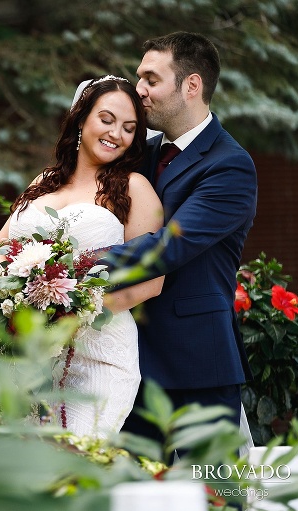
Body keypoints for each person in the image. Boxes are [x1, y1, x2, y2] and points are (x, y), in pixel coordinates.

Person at [0, 76, 165, 438]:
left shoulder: (134, 188)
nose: (117, 134)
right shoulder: (43, 182)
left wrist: (69, 317)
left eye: (130, 128)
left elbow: (153, 282)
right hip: (22, 350)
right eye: (107, 119)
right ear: (82, 119)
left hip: (97, 352)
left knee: (76, 462)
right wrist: (16, 287)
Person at [102, 32, 257, 445]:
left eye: (151, 79)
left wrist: (75, 267)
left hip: (197, 366)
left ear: (191, 86)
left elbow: (169, 246)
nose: (139, 90)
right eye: (139, 78)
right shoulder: (141, 153)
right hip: (127, 362)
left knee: (213, 498)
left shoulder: (230, 166)